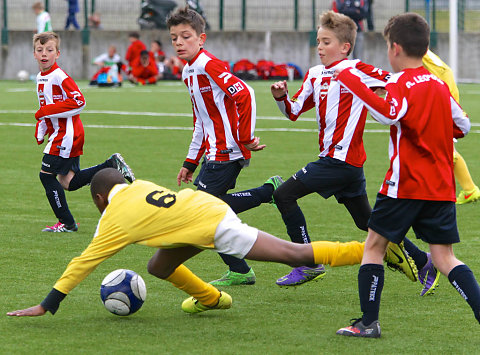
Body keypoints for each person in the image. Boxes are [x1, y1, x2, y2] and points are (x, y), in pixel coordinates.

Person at [6, 168, 371, 317]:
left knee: (293, 255)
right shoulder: (139, 185)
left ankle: (368, 251)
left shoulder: (113, 216)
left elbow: (83, 262)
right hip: (200, 212)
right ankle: (212, 299)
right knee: (158, 266)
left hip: (211, 224)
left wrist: (47, 304)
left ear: (100, 198)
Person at [334, 12, 480, 338]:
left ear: (395, 48)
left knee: (373, 246)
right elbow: (464, 126)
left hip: (405, 184)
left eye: (387, 46)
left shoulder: (400, 82)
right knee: (444, 257)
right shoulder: (439, 84)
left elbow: (390, 113)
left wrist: (350, 80)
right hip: (441, 186)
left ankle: (368, 323)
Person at [270, 11, 435, 296]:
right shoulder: (313, 74)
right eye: (318, 41)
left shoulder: (358, 69)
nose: (319, 47)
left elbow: (396, 81)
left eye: (326, 42)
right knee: (368, 223)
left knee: (283, 195)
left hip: (339, 161)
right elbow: (294, 112)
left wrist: (403, 99)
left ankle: (309, 263)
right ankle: (424, 261)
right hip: (346, 165)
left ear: (345, 47)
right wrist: (281, 97)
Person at [167, 7, 284, 286]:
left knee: (204, 214)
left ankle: (266, 193)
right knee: (211, 214)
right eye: (174, 38)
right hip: (213, 153)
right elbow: (200, 120)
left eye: (186, 36)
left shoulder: (209, 65)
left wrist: (245, 137)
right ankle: (241, 268)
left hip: (228, 151)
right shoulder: (187, 72)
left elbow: (245, 93)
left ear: (201, 38)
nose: (179, 43)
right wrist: (189, 162)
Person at [32, 32, 135, 232]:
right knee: (67, 182)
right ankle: (111, 164)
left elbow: (79, 101)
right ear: (34, 54)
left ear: (58, 53)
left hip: (67, 135)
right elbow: (45, 106)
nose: (44, 54)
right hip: (62, 134)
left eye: (49, 50)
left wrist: (45, 113)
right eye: (40, 50)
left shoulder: (59, 76)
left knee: (46, 176)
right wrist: (42, 126)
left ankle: (67, 223)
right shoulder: (40, 77)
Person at [422, 49, 480, 205]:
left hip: (442, 96)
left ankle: (463, 190)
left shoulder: (418, 50)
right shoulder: (424, 52)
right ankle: (469, 189)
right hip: (443, 93)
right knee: (446, 148)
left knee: (443, 148)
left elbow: (444, 72)